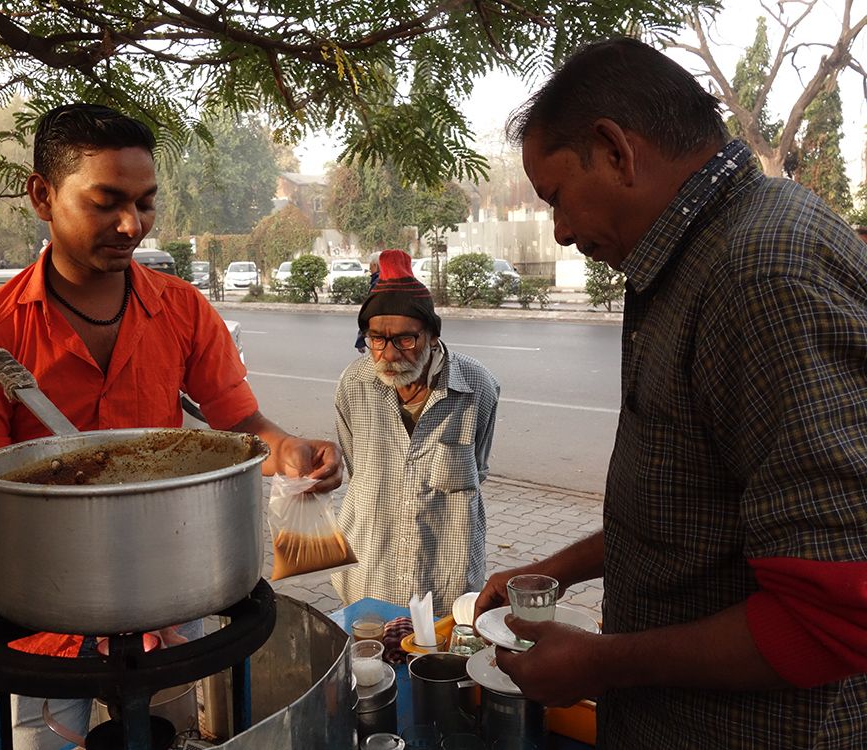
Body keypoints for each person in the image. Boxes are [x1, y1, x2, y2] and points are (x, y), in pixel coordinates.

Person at [473, 38, 867, 749]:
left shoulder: (758, 273)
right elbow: (693, 508)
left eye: (557, 197)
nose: (559, 231)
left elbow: (830, 619)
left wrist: (603, 662)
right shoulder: (691, 257)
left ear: (617, 151)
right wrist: (553, 568)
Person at [0, 103, 342, 750]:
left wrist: (290, 450)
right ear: (42, 195)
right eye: (106, 202)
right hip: (42, 629)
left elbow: (240, 426)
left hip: (173, 610)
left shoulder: (182, 311)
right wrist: (93, 596)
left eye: (146, 203)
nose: (132, 225)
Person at [333, 249, 500, 616]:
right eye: (377, 339)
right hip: (369, 574)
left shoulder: (477, 387)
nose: (389, 355)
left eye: (405, 340)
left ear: (432, 336)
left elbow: (479, 469)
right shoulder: (354, 385)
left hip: (446, 581)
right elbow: (356, 469)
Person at [354, 251, 381, 353]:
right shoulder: (388, 280)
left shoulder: (378, 283)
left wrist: (360, 340)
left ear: (375, 265)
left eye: (370, 265)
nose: (369, 269)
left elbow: (369, 311)